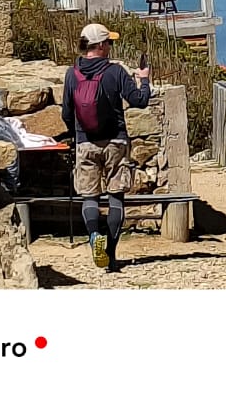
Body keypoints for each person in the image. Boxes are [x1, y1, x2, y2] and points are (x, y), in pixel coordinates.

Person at [61, 22, 151, 272]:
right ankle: (110, 255)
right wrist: (143, 80)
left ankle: (93, 238)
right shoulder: (116, 72)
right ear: (100, 45)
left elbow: (67, 112)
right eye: (109, 42)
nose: (111, 46)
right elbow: (140, 102)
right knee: (115, 197)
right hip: (116, 142)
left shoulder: (72, 73)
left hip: (85, 142)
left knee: (89, 197)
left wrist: (77, 134)